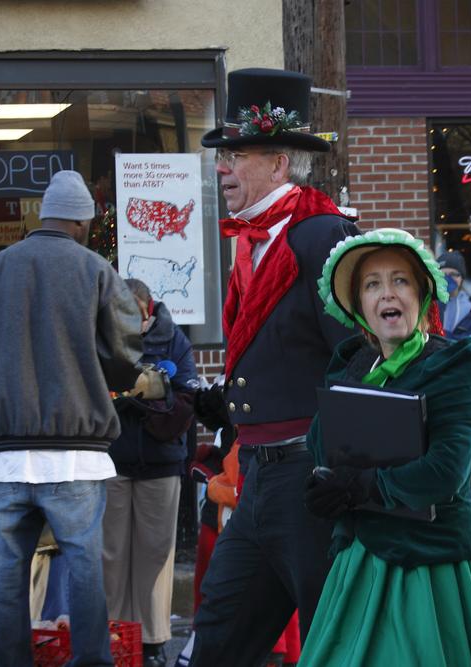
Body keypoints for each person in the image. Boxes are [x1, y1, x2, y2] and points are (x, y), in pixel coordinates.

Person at [189, 68, 359, 667]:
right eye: (222, 157)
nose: (221, 169)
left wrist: (344, 470)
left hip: (307, 477)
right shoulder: (249, 244)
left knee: (328, 641)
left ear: (279, 164)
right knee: (217, 637)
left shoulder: (324, 237)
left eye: (235, 156)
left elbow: (358, 361)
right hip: (256, 477)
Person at [300, 228, 471, 665]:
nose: (387, 293)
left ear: (423, 296)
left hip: (436, 566)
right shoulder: (353, 366)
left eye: (400, 280)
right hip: (362, 563)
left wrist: (357, 488)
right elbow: (322, 448)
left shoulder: (454, 363)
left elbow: (444, 472)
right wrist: (325, 485)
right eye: (372, 285)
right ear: (359, 307)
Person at [0, 169, 144, 666]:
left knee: (7, 576)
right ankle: (92, 661)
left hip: (5, 455)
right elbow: (124, 355)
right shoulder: (96, 270)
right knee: (83, 571)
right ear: (83, 222)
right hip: (75, 454)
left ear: (44, 215)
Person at [103, 279, 199, 667]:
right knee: (111, 552)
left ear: (149, 308)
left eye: (136, 315)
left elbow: (188, 394)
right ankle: (115, 635)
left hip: (160, 461)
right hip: (111, 460)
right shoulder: (104, 338)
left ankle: (153, 638)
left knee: (155, 552)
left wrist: (155, 400)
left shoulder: (174, 340)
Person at [437, 250, 471, 341]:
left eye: (453, 274)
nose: (448, 278)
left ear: (462, 279)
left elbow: (470, 341)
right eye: (442, 274)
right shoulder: (428, 303)